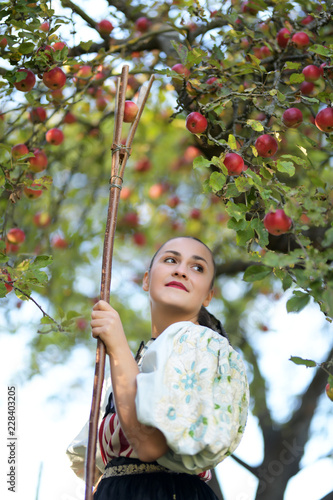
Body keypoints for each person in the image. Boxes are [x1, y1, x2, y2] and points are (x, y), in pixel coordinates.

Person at [67, 236, 249, 499]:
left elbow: (149, 444)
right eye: (171, 260)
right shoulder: (135, 365)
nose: (180, 270)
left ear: (208, 295)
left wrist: (117, 344)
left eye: (197, 267)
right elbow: (92, 464)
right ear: (146, 280)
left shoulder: (200, 343)